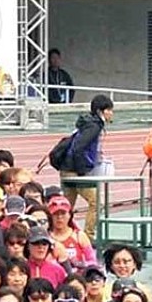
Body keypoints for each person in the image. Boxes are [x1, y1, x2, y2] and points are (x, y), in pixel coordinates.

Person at [60, 94, 114, 242]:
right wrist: (82, 170)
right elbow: (79, 147)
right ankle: (88, 236)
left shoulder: (88, 123)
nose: (111, 113)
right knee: (96, 202)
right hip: (74, 171)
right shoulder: (94, 126)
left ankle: (62, 235)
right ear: (101, 111)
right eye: (109, 110)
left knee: (66, 206)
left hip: (68, 168)